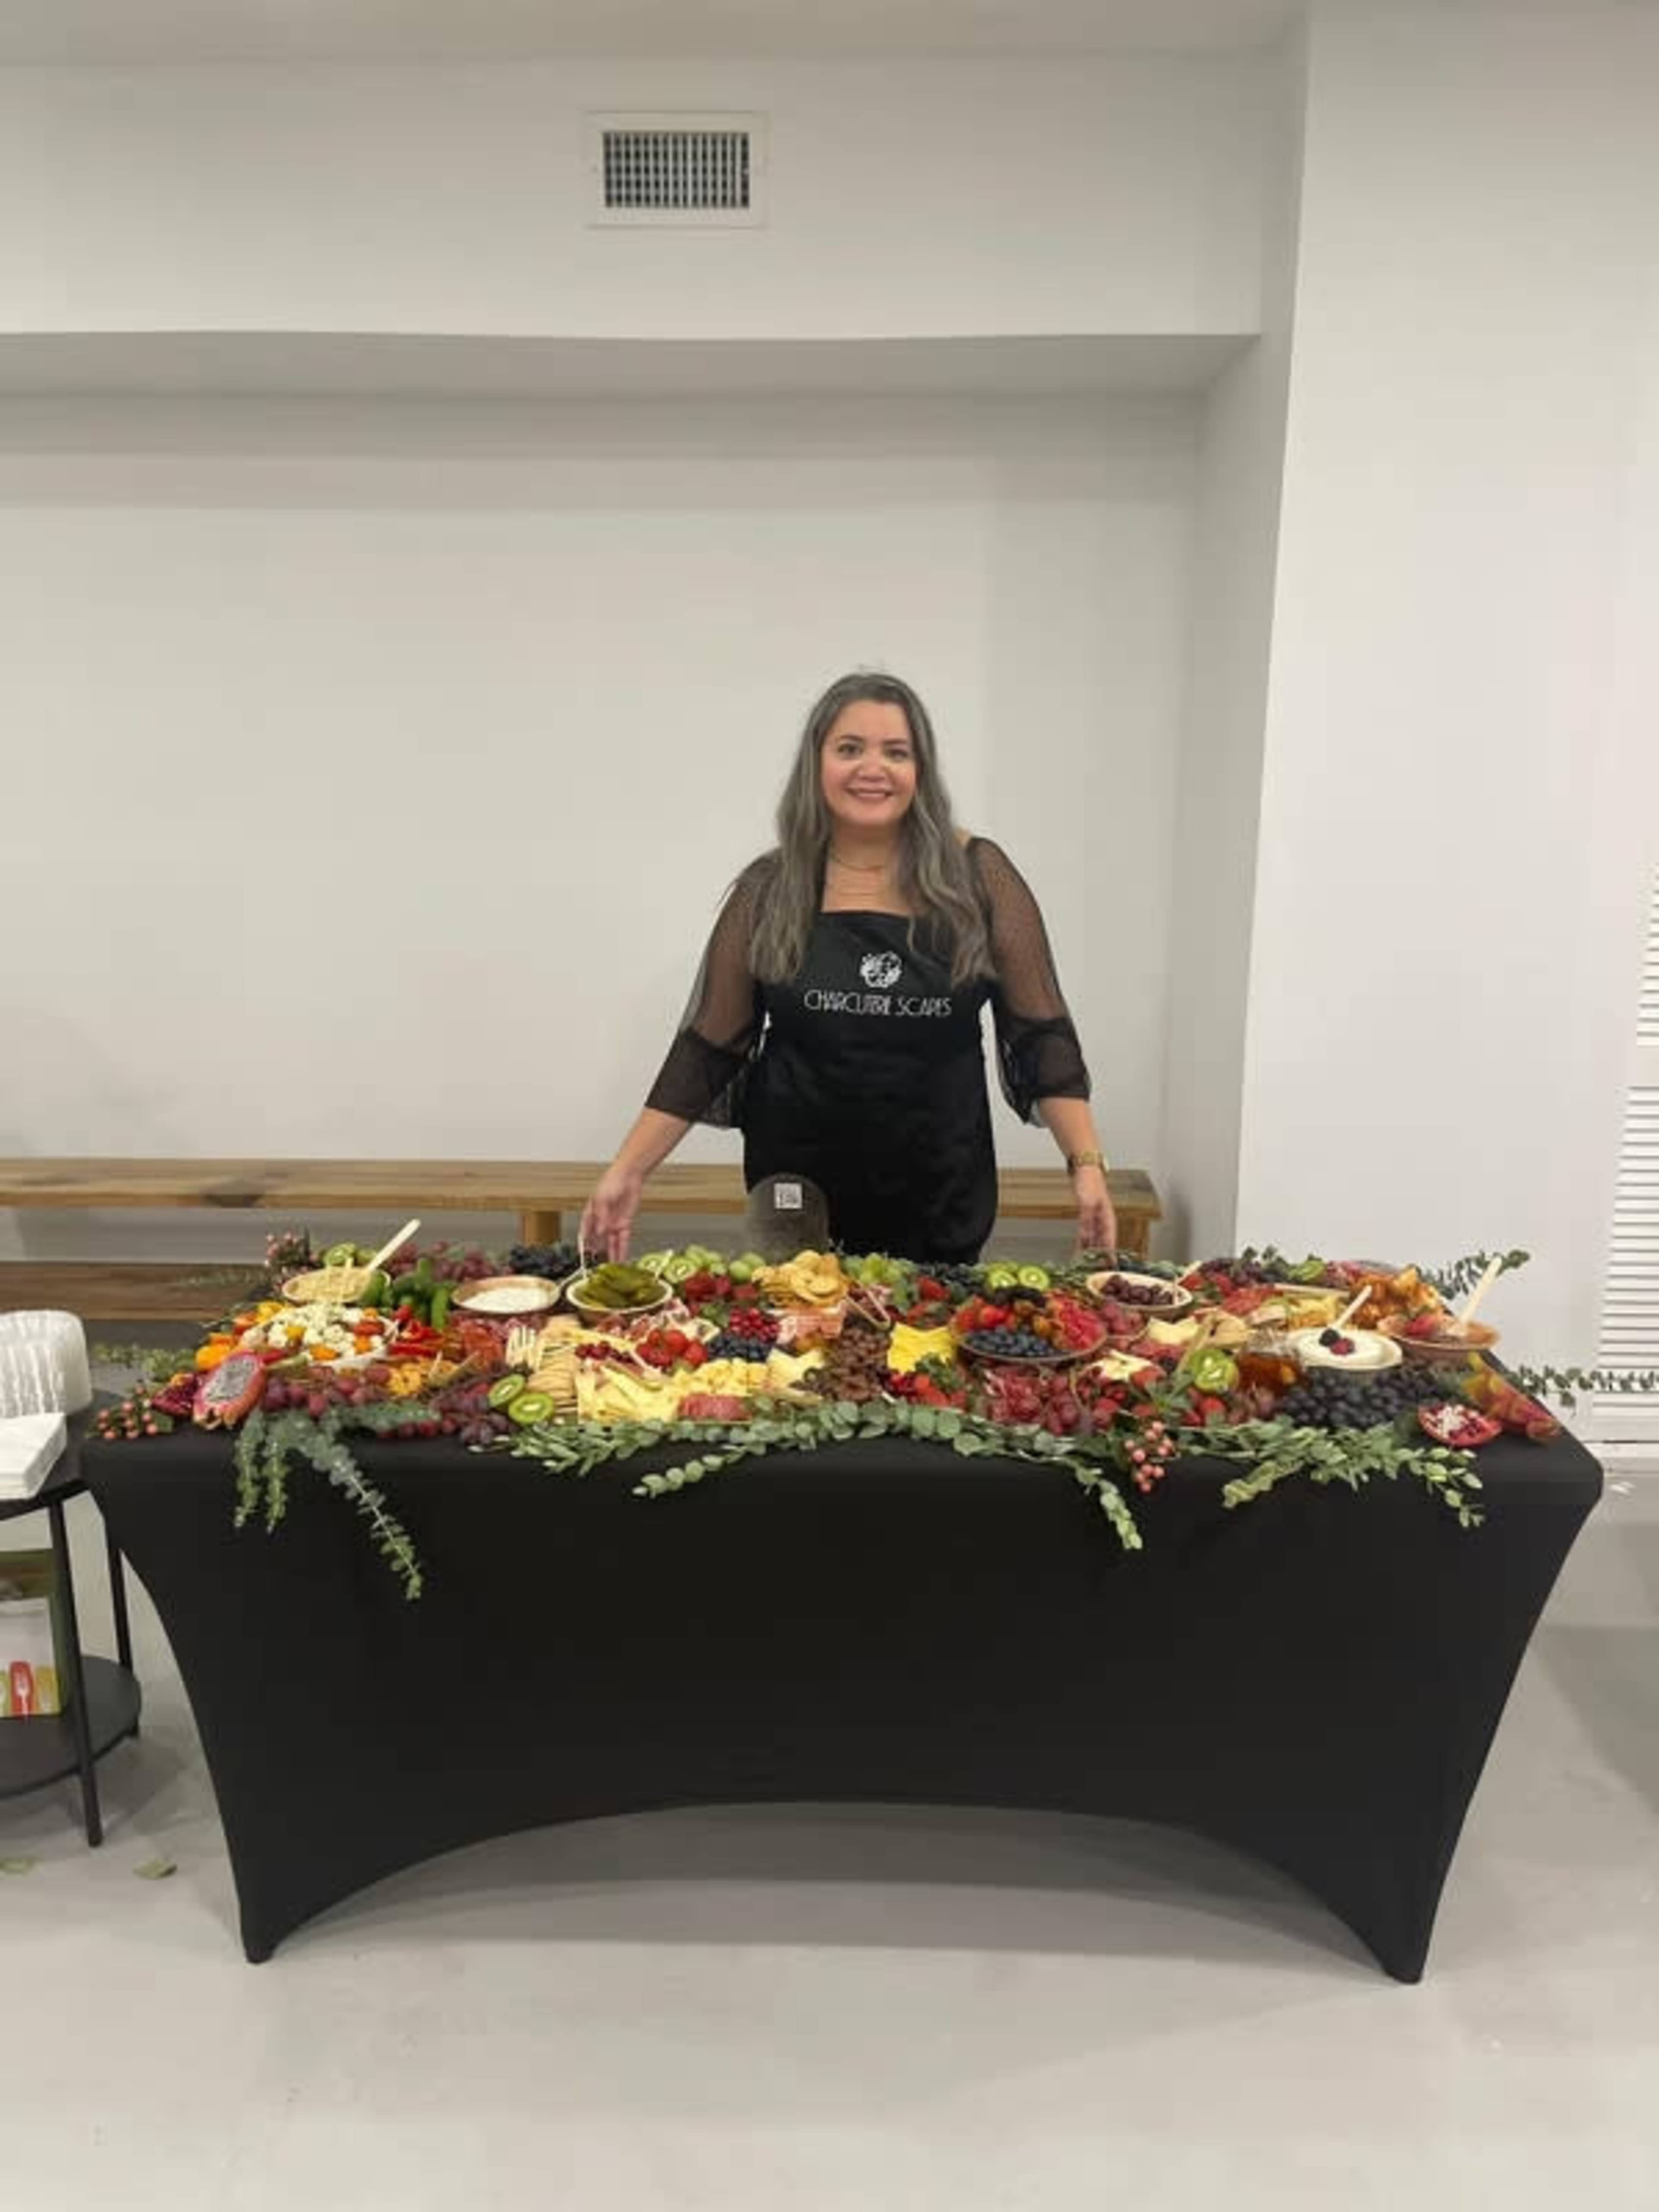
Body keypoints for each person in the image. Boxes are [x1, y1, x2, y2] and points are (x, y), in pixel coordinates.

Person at [581, 671, 1115, 1265]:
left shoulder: (980, 878)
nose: (873, 768)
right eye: (850, 748)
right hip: (798, 1197)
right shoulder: (769, 889)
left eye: (896, 752)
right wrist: (628, 1172)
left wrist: (1086, 1165)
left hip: (939, 1189)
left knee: (926, 1350)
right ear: (817, 764)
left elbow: (1042, 1036)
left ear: (921, 771)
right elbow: (708, 1047)